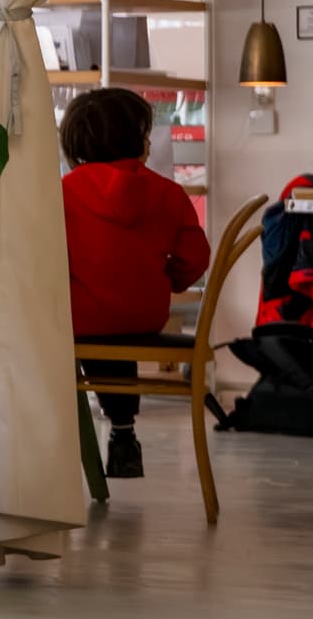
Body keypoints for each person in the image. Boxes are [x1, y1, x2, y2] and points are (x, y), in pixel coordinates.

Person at [61, 86, 208, 480]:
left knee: (89, 315)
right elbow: (195, 259)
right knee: (116, 317)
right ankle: (124, 433)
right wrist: (169, 279)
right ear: (137, 140)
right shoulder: (170, 193)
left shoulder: (61, 193)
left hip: (81, 318)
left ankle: (61, 443)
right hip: (145, 316)